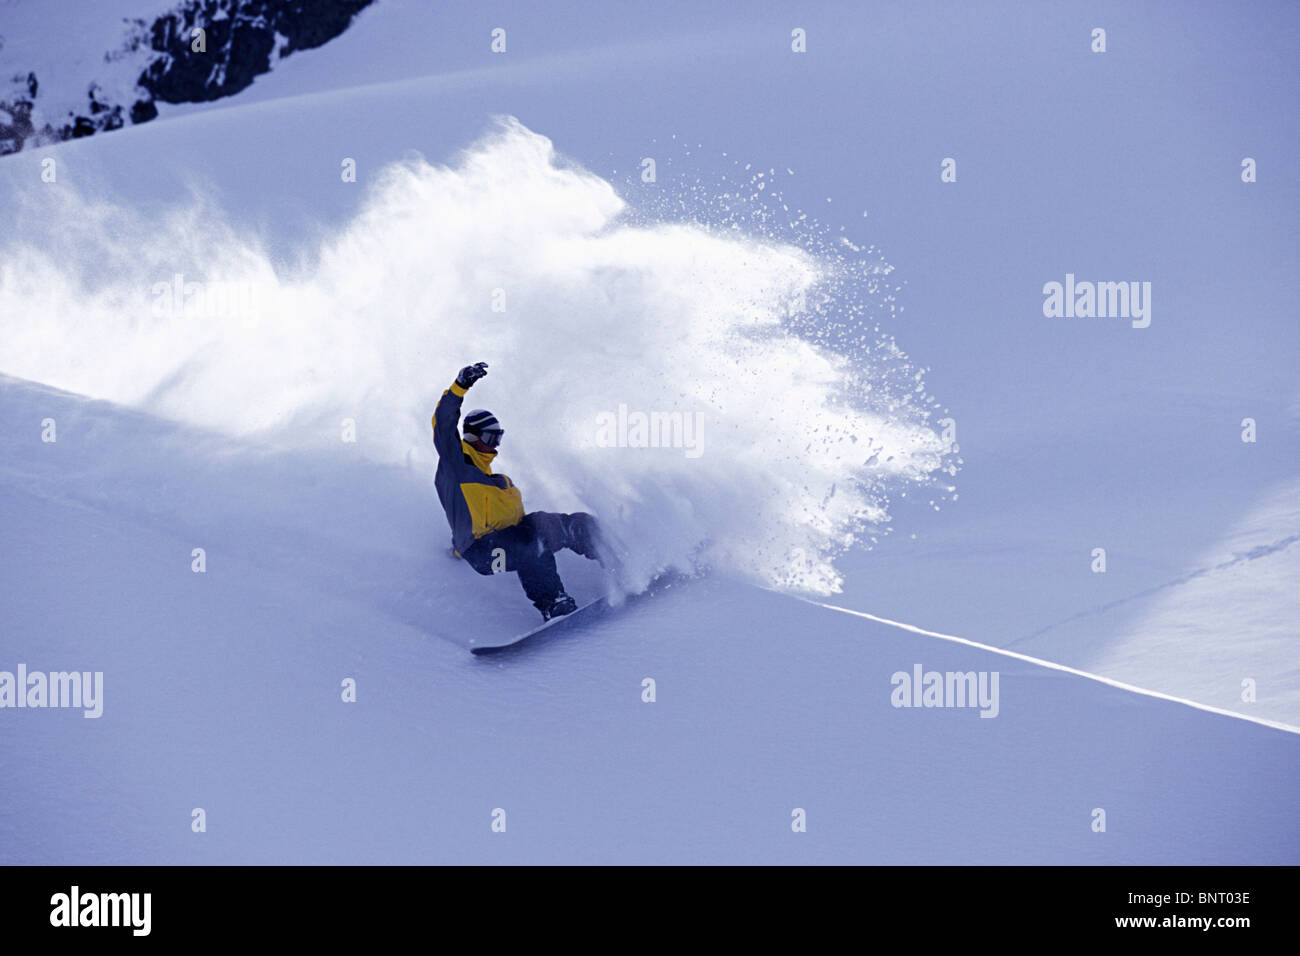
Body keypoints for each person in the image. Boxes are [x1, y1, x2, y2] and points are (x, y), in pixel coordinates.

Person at [432, 361, 610, 620]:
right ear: (474, 438)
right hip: (485, 556)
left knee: (571, 524)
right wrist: (460, 387)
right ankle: (554, 604)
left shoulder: (499, 481)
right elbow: (443, 426)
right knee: (531, 546)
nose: (496, 446)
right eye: (492, 438)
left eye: (499, 438)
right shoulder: (456, 465)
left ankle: (621, 558)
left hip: (511, 537)